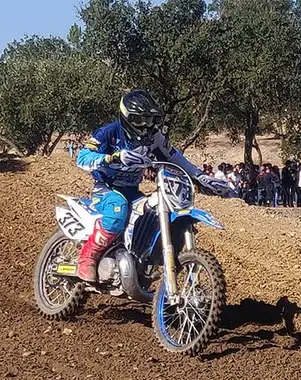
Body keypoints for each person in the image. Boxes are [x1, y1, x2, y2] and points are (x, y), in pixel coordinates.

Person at [73, 90, 234, 283]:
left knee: (153, 213)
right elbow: (82, 157)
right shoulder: (109, 132)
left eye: (150, 120)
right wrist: (113, 157)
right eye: (141, 120)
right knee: (118, 212)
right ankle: (87, 257)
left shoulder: (154, 138)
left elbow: (174, 157)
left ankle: (141, 260)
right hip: (107, 188)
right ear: (128, 118)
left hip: (133, 191)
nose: (146, 126)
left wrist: (200, 176)